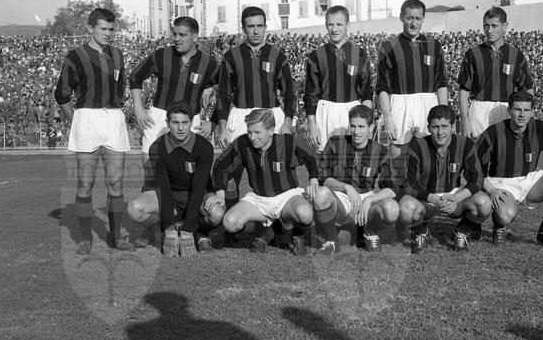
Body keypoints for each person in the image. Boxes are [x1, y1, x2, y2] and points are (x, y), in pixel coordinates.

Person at [54, 8, 133, 254]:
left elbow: (120, 88)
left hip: (114, 119)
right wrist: (77, 120)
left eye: (111, 29)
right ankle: (86, 239)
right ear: (90, 28)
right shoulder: (75, 56)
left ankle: (116, 237)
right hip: (87, 118)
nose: (108, 33)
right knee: (85, 183)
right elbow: (62, 94)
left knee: (116, 182)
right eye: (103, 29)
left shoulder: (117, 54)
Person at [476, 91, 543, 249]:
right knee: (505, 215)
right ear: (509, 111)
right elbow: (473, 166)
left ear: (532, 111)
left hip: (529, 180)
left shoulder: (539, 128)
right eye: (518, 109)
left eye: (527, 110)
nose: (522, 115)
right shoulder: (493, 132)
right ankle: (499, 227)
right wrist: (491, 190)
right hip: (500, 182)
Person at [209, 108, 318, 255]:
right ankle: (267, 231)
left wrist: (313, 180)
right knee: (230, 222)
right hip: (259, 199)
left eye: (257, 132)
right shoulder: (242, 143)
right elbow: (220, 166)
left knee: (305, 214)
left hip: (287, 197)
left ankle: (296, 234)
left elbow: (313, 157)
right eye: (249, 132)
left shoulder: (287, 143)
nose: (252, 137)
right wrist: (220, 194)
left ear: (271, 130)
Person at [126, 101, 224, 256]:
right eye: (175, 123)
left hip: (198, 194)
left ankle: (199, 232)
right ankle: (161, 227)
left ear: (191, 123)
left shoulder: (204, 147)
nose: (180, 128)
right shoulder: (157, 148)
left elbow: (199, 188)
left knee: (216, 213)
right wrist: (170, 230)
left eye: (185, 123)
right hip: (171, 195)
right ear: (167, 123)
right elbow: (164, 189)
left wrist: (187, 231)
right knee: (134, 208)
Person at [398, 105, 491, 253]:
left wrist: (456, 198)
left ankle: (461, 231)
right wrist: (435, 200)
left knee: (484, 203)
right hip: (426, 198)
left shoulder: (466, 144)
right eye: (435, 127)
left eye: (444, 126)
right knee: (405, 207)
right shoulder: (416, 146)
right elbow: (410, 184)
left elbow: (477, 179)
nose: (440, 132)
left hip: (453, 197)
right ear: (428, 128)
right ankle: (421, 232)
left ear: (453, 127)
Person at [311, 104, 399, 254]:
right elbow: (322, 178)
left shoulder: (381, 150)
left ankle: (369, 232)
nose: (356, 131)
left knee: (392, 209)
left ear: (370, 128)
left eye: (361, 127)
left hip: (366, 196)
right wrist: (347, 187)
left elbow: (393, 188)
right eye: (353, 126)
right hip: (341, 196)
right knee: (320, 194)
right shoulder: (335, 143)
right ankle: (332, 240)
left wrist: (370, 200)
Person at [129, 16, 219, 161]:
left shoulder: (208, 63)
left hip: (190, 120)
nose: (177, 39)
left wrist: (213, 122)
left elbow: (226, 90)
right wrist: (138, 109)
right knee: (151, 167)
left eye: (182, 35)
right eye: (175, 34)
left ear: (195, 37)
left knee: (186, 169)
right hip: (159, 117)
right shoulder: (161, 55)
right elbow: (135, 77)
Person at [377, 0, 448, 157]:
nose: (414, 23)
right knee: (397, 154)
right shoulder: (389, 46)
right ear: (401, 17)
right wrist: (387, 118)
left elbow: (441, 84)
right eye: (409, 18)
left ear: (423, 18)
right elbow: (382, 87)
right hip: (400, 103)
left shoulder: (434, 45)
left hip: (428, 103)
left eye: (418, 18)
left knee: (432, 153)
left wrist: (445, 115)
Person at [217, 6, 295, 148]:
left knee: (275, 161)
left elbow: (289, 94)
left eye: (259, 26)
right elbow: (223, 95)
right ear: (243, 29)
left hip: (271, 116)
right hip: (241, 119)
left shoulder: (278, 56)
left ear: (265, 27)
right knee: (239, 161)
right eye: (251, 26)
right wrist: (222, 128)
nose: (256, 31)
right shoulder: (231, 57)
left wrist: (287, 123)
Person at [303, 5, 372, 152]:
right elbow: (310, 94)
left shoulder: (360, 54)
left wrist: (366, 122)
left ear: (348, 25)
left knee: (353, 157)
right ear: (326, 25)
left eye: (339, 24)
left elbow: (367, 92)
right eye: (330, 24)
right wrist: (312, 125)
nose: (334, 29)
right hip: (325, 111)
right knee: (324, 158)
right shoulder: (316, 56)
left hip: (353, 111)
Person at [458, 7, 534, 139]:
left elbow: (527, 89)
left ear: (505, 26)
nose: (489, 30)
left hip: (506, 109)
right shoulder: (473, 54)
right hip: (479, 110)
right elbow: (464, 90)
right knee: (477, 149)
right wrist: (465, 121)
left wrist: (529, 117)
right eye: (486, 26)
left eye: (494, 26)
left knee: (505, 149)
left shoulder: (516, 55)